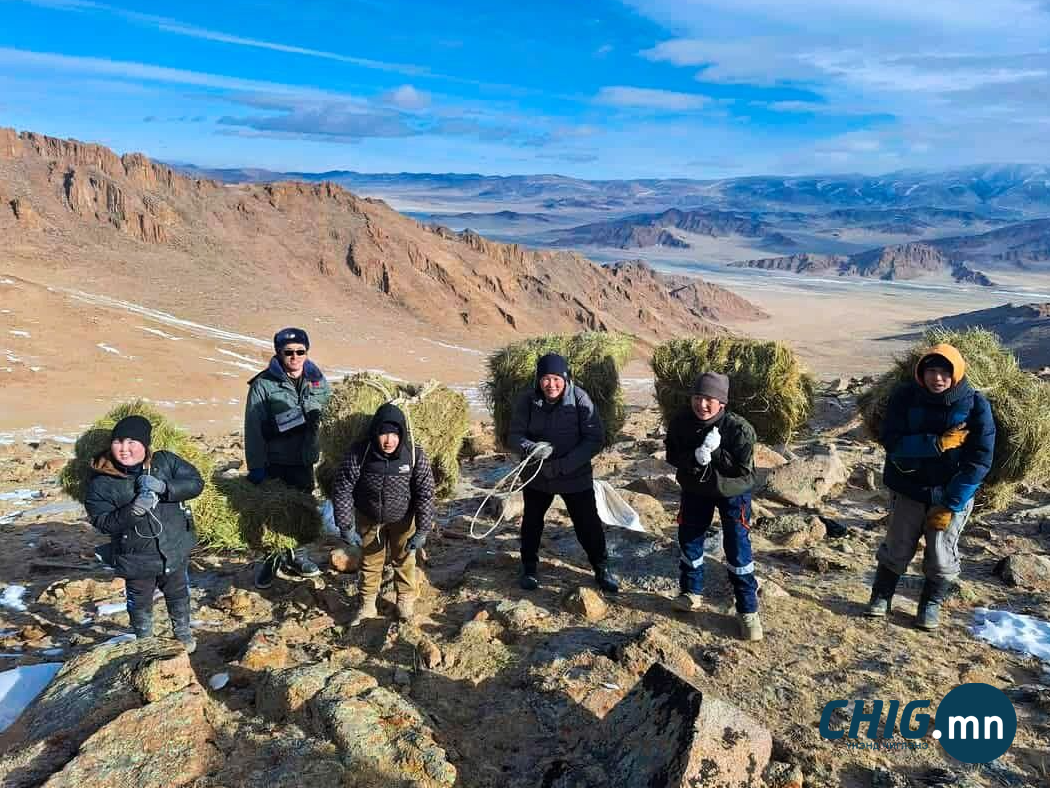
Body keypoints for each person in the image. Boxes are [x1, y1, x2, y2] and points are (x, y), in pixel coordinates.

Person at [865, 343, 995, 630]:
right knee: (897, 546)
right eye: (931, 371)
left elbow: (980, 459)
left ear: (956, 373)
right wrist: (936, 444)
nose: (937, 378)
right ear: (920, 373)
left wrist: (952, 502)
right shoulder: (905, 397)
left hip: (951, 493)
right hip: (909, 488)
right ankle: (881, 596)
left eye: (945, 372)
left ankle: (930, 605)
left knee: (940, 554)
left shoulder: (975, 405)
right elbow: (892, 442)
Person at [83, 415, 204, 653]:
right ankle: (144, 640)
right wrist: (134, 511)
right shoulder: (101, 482)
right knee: (139, 600)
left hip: (174, 546)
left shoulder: (165, 462)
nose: (124, 449)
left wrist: (166, 487)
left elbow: (196, 483)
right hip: (135, 555)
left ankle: (182, 632)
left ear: (145, 444)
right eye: (118, 442)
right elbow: (102, 522)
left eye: (132, 442)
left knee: (178, 592)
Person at [507, 353, 619, 593]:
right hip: (537, 475)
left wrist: (564, 465)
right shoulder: (527, 400)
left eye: (556, 378)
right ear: (538, 380)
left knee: (587, 523)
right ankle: (529, 568)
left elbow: (594, 438)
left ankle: (602, 568)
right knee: (532, 522)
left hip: (574, 476)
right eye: (546, 379)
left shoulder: (580, 398)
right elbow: (514, 435)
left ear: (566, 379)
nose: (551, 384)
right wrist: (531, 448)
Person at [664, 372, 762, 642]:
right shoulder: (681, 422)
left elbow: (742, 470)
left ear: (722, 402)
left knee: (737, 546)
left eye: (709, 399)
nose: (702, 404)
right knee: (689, 538)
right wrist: (694, 458)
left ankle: (748, 610)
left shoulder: (739, 429)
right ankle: (690, 592)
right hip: (696, 489)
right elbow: (672, 454)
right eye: (698, 397)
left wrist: (717, 453)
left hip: (733, 493)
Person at [331, 403, 436, 625]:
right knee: (370, 562)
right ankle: (367, 603)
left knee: (404, 559)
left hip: (403, 519)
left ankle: (405, 600)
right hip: (369, 518)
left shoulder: (414, 455)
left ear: (402, 434)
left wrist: (423, 530)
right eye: (383, 434)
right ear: (375, 433)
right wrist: (346, 525)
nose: (389, 441)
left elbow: (426, 493)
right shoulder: (360, 453)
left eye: (395, 434)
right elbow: (342, 488)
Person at [244, 327, 332, 588]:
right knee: (273, 512)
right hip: (275, 460)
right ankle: (272, 559)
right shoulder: (263, 384)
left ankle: (298, 557)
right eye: (288, 352)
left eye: (300, 351)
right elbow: (253, 429)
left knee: (302, 509)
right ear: (279, 353)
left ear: (306, 352)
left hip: (305, 459)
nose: (294, 357)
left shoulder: (318, 381)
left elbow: (331, 414)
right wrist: (256, 466)